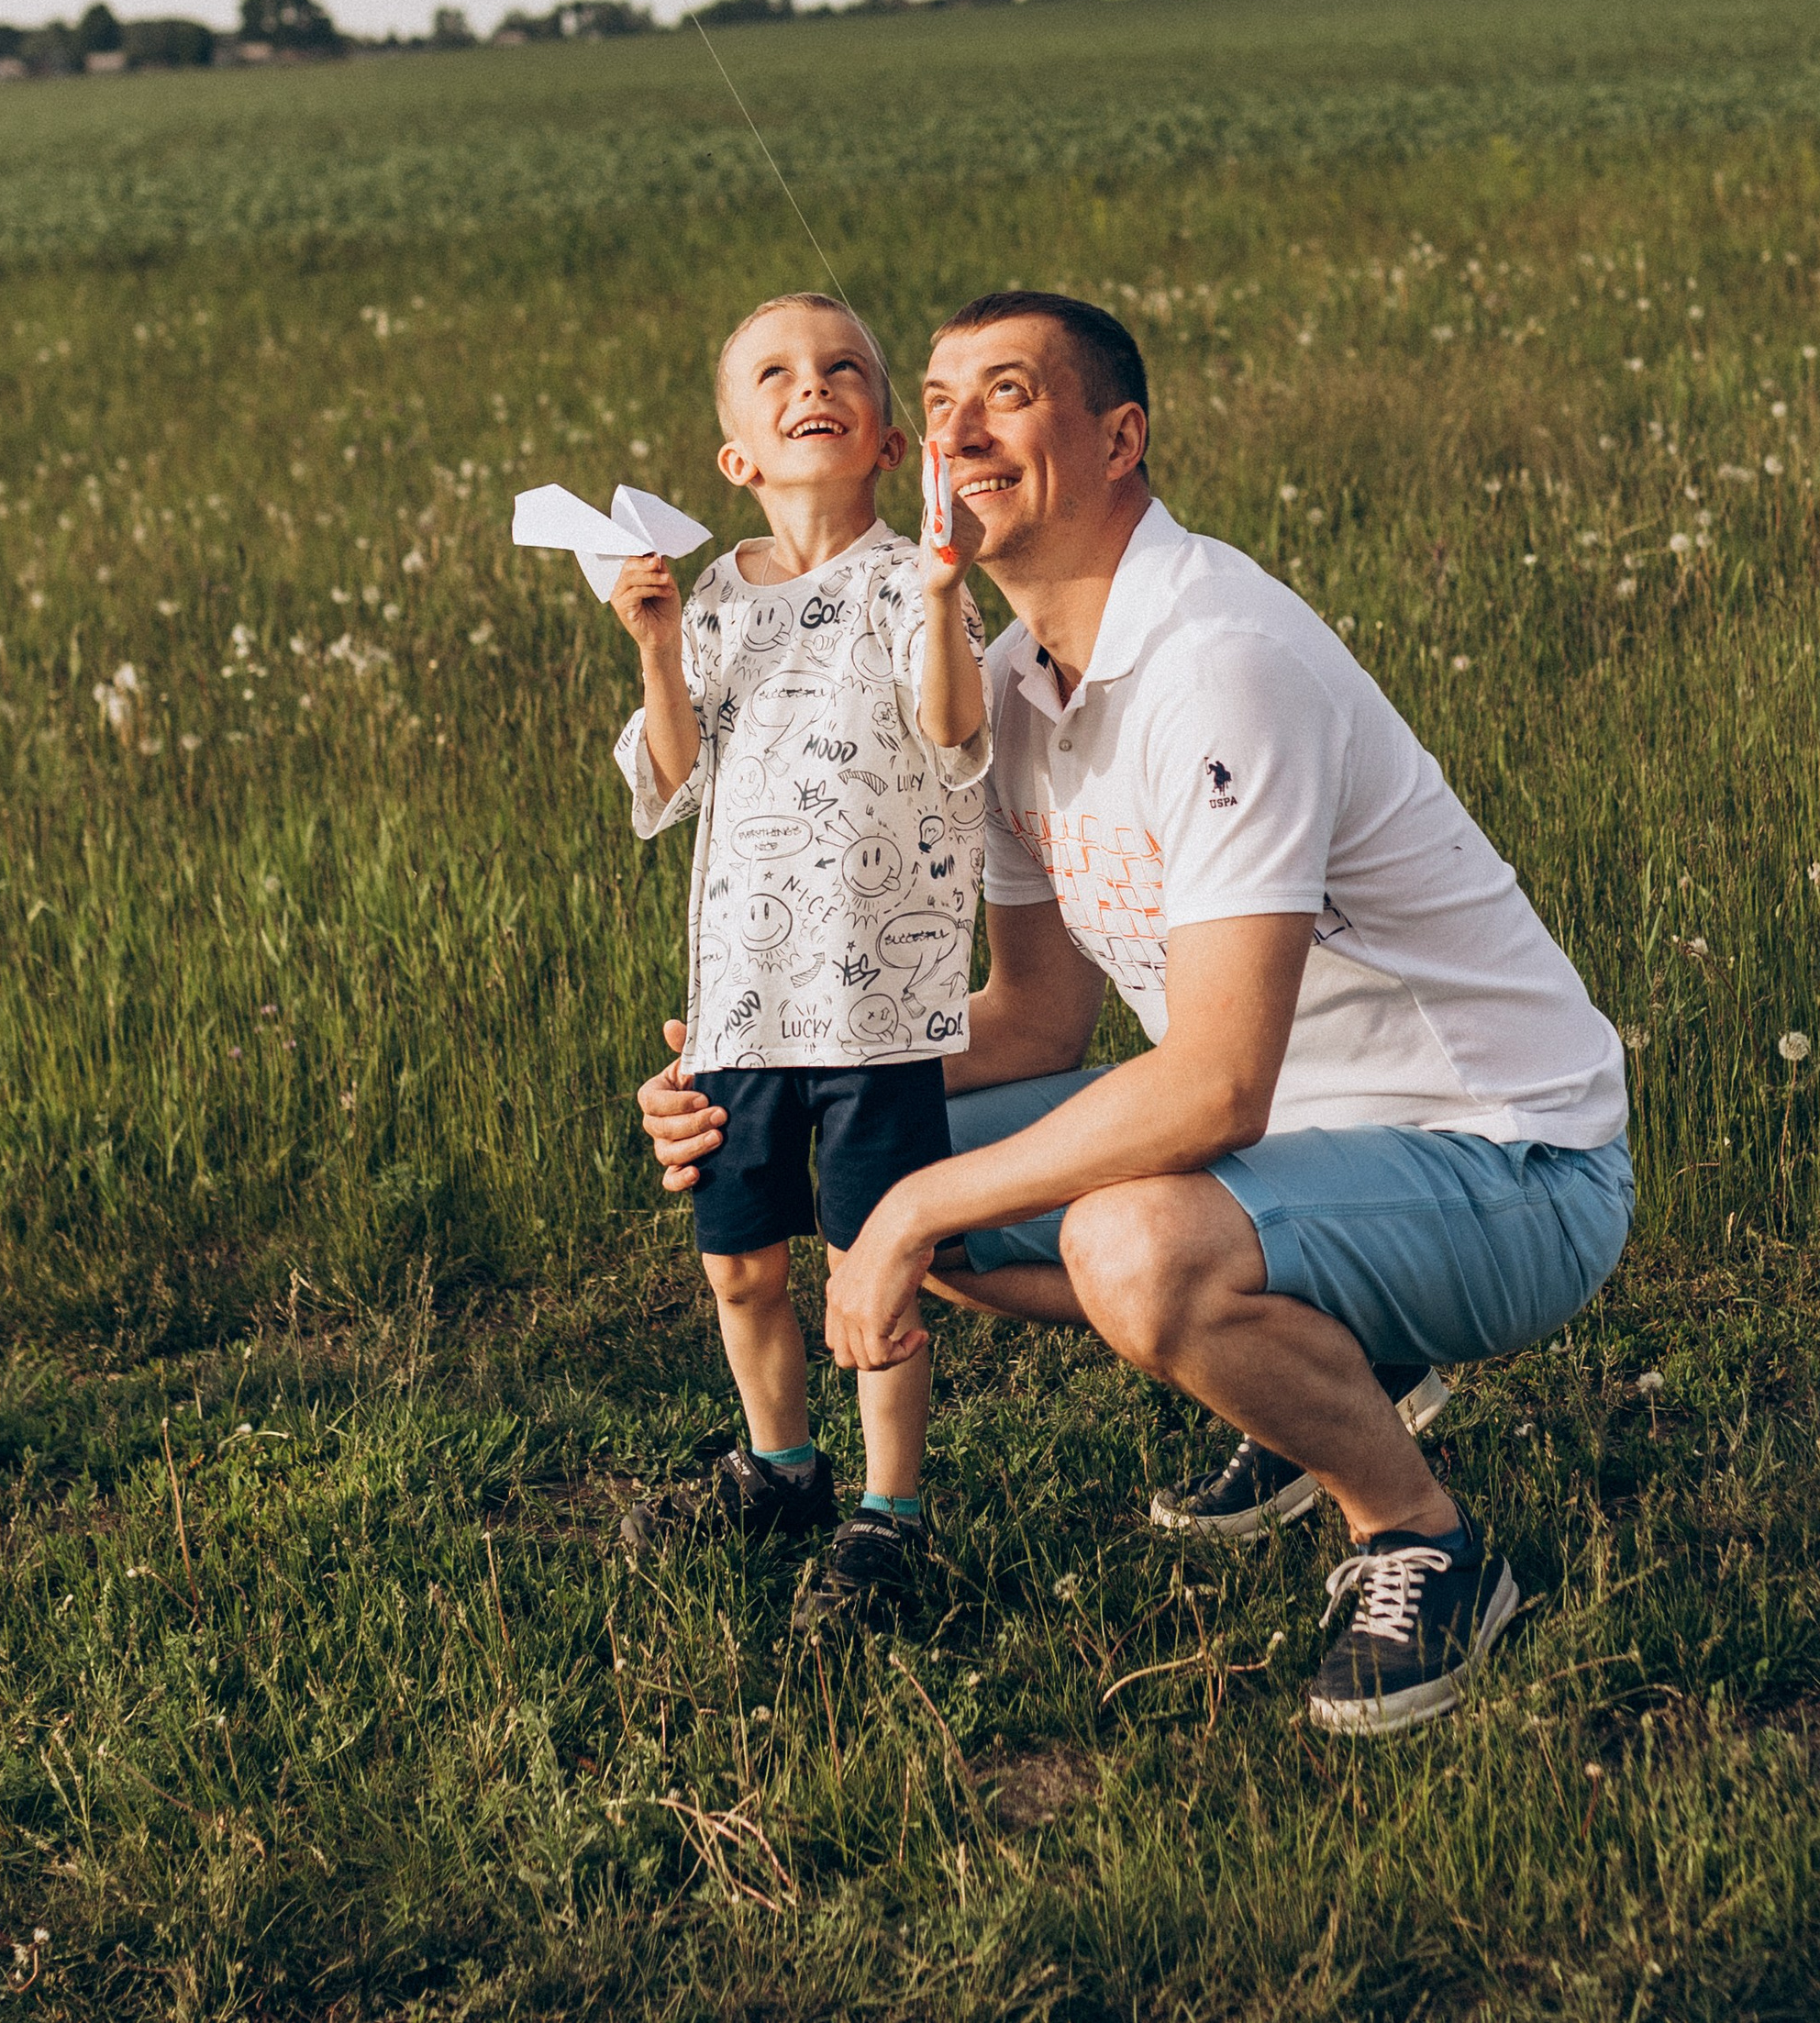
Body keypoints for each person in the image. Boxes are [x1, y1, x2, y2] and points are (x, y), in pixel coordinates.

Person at [638, 288, 1630, 1735]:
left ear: (1121, 439)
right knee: (883, 1157)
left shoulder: (1217, 662)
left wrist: (909, 1218)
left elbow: (1219, 1086)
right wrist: (763, 1068)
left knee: (1117, 1243)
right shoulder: (1008, 688)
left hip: (1508, 1163)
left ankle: (1418, 1538)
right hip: (1302, 1143)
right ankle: (1329, 1359)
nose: (961, 432)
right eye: (944, 398)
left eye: (1012, 395)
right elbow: (1035, 1023)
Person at [611, 290, 987, 1627]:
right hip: (741, 1005)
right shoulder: (714, 596)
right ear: (738, 462)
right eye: (773, 376)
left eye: (841, 370)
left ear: (892, 442)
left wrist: (944, 596)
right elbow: (668, 777)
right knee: (738, 1262)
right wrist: (658, 648)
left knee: (868, 1268)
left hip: (874, 1007)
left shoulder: (909, 577)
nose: (808, 385)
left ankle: (893, 1512)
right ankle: (781, 1468)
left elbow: (955, 734)